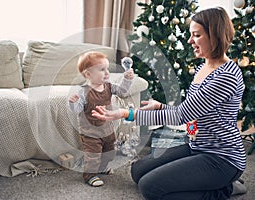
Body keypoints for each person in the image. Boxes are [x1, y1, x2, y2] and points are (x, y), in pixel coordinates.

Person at [92, 7, 247, 199]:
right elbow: (192, 110)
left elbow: (181, 115)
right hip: (197, 146)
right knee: (138, 171)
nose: (190, 41)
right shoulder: (204, 66)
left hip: (222, 158)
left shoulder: (226, 76)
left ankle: (225, 189)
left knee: (151, 188)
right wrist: (160, 107)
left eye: (196, 35)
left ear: (214, 35)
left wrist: (125, 113)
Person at [69, 51, 134, 187]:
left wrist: (127, 79)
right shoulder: (83, 91)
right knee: (93, 154)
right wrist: (73, 102)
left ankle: (102, 167)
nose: (107, 73)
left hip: (107, 129)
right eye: (102, 69)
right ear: (88, 74)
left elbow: (122, 92)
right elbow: (77, 110)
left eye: (107, 69)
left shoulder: (109, 86)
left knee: (109, 151)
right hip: (90, 132)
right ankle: (90, 175)